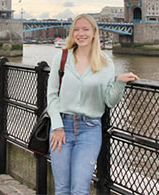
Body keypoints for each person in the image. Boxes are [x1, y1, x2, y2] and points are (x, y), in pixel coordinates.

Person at [47, 14, 138, 195]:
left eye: (85, 29)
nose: (81, 33)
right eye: (76, 29)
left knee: (80, 189)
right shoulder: (62, 58)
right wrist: (57, 126)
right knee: (62, 189)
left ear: (95, 33)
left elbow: (109, 101)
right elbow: (52, 95)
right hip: (61, 128)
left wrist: (119, 82)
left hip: (89, 130)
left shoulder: (106, 63)